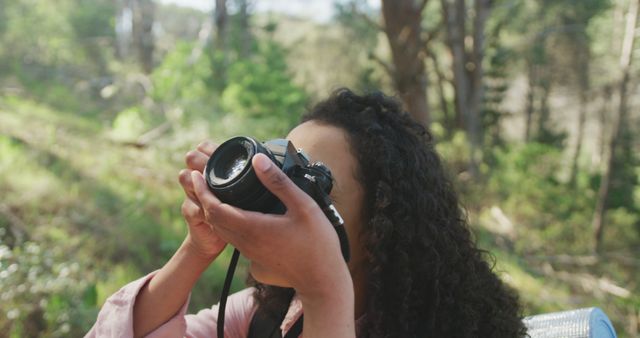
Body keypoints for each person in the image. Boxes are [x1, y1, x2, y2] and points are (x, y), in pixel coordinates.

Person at [86, 89, 527, 337]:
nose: (283, 201)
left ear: (382, 224)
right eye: (280, 172)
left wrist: (325, 290)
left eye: (310, 186)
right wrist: (198, 247)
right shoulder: (270, 316)